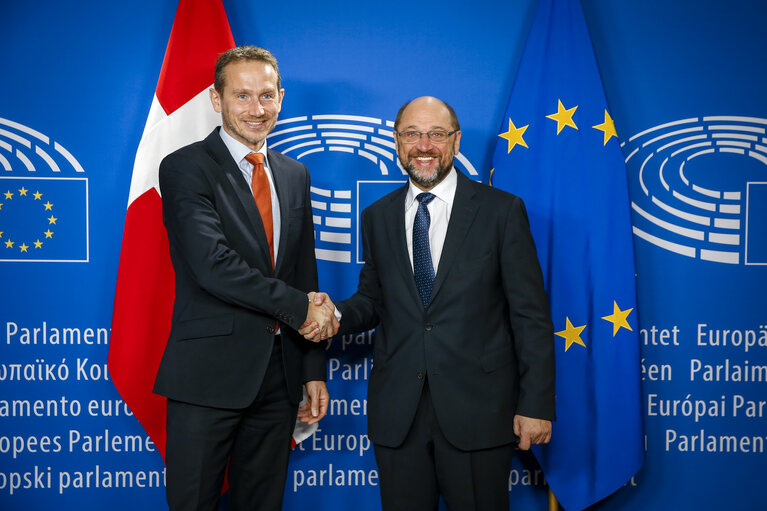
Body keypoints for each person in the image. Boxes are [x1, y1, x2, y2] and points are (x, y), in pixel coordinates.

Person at [306, 96, 556, 510]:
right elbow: (373, 299)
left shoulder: (501, 212)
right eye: (412, 134)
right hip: (398, 413)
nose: (424, 145)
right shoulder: (377, 216)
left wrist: (535, 405)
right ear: (397, 143)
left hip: (479, 411)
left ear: (456, 142)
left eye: (437, 134)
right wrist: (332, 313)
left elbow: (530, 316)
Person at [154, 46, 338, 511]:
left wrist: (312, 368)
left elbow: (303, 273)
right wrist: (302, 309)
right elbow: (212, 264)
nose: (257, 109)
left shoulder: (295, 174)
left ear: (281, 98)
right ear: (217, 100)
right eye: (242, 96)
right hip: (207, 377)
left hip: (279, 378)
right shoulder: (185, 167)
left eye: (267, 96)